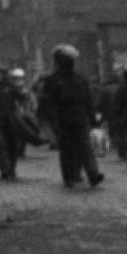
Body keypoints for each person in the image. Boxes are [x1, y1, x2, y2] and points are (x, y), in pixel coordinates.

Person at [37, 45, 105, 189]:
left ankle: (89, 175)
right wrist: (92, 119)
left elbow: (87, 100)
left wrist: (92, 119)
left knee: (78, 148)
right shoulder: (74, 79)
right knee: (75, 149)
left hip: (72, 120)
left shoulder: (57, 80)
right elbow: (87, 101)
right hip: (69, 120)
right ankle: (77, 176)